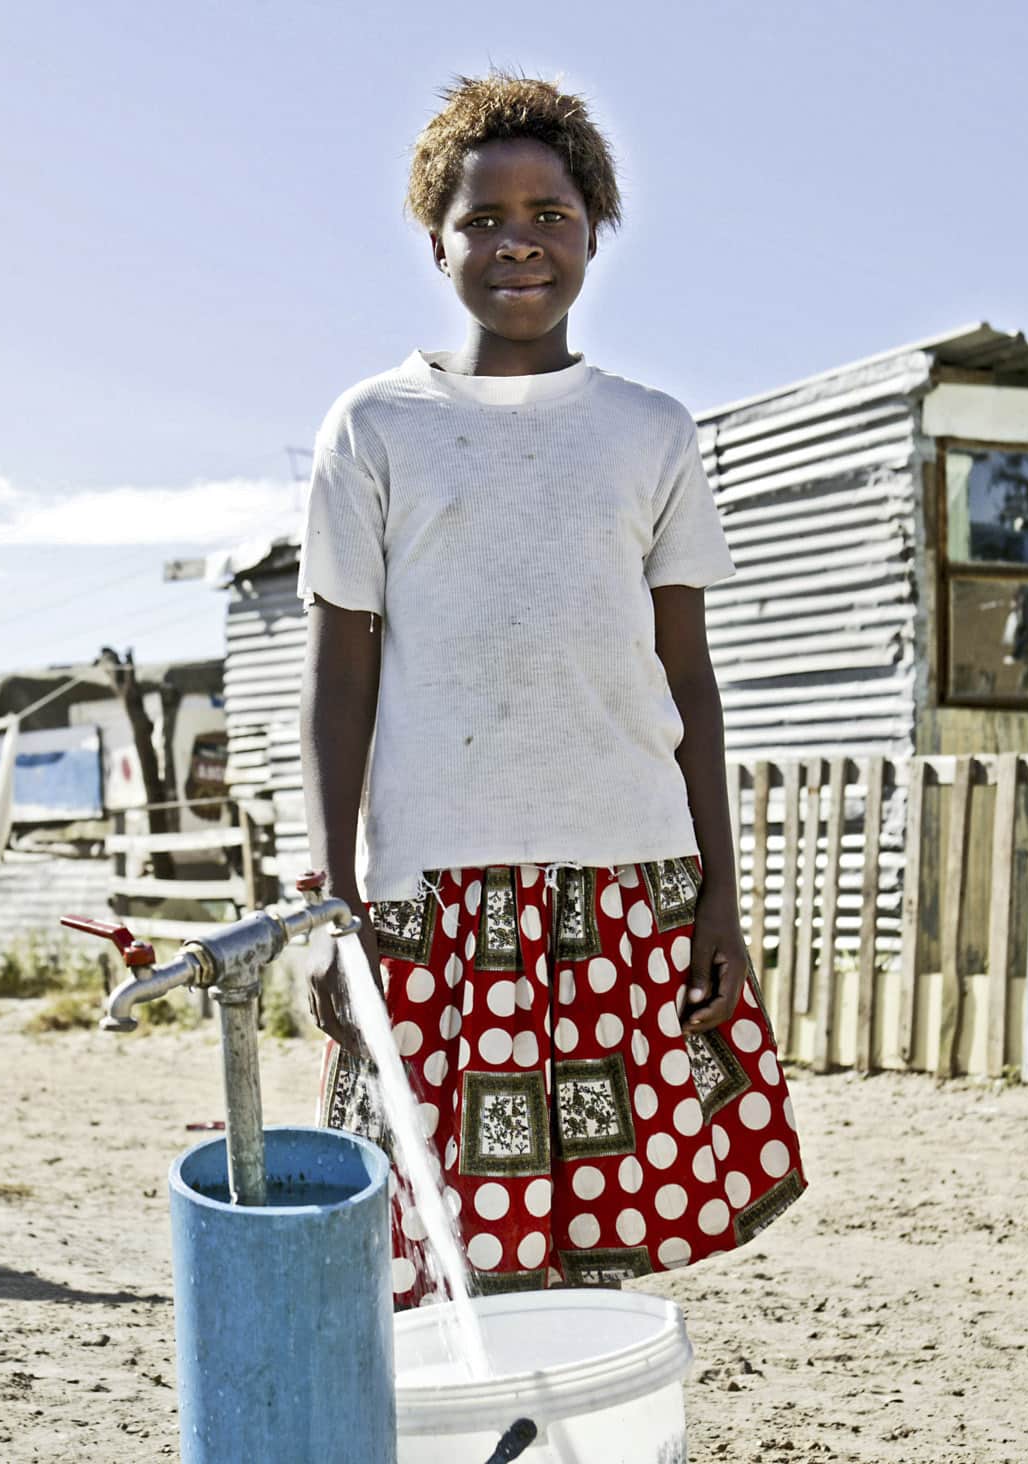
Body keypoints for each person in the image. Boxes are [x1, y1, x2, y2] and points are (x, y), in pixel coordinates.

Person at [302, 72, 807, 1307]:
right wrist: (328, 896)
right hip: (436, 886)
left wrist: (722, 902)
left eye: (550, 213)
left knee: (600, 1230)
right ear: (436, 239)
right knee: (434, 1229)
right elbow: (340, 674)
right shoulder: (376, 427)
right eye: (482, 217)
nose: (516, 240)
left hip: (627, 883)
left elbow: (686, 675)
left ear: (595, 231)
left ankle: (579, 1430)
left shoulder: (650, 431)